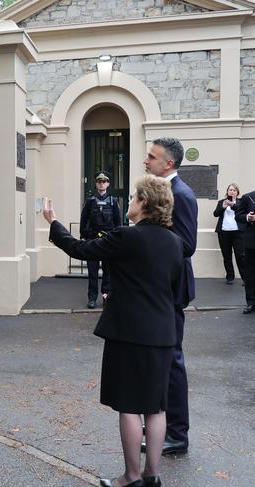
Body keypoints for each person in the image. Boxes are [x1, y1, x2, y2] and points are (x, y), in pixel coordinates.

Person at [43, 174, 183, 487]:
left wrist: (54, 223)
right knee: (156, 406)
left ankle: (132, 477)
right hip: (163, 332)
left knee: (131, 407)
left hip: (129, 332)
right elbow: (178, 291)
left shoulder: (126, 236)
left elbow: (80, 249)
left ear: (144, 202)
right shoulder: (176, 243)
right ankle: (152, 475)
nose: (129, 202)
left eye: (134, 198)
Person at [142, 137, 197, 456]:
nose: (146, 161)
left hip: (171, 290)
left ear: (169, 164)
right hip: (157, 288)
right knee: (160, 360)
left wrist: (151, 238)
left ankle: (177, 433)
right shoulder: (163, 192)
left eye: (152, 157)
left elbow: (187, 244)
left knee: (172, 361)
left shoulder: (182, 194)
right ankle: (160, 423)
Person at [80, 171, 122, 309]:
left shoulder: (113, 201)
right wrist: (85, 235)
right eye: (99, 181)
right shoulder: (90, 201)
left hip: (108, 240)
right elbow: (84, 219)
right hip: (93, 240)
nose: (102, 183)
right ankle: (92, 298)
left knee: (108, 271)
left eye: (104, 181)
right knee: (92, 271)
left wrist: (116, 238)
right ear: (96, 183)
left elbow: (118, 222)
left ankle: (106, 296)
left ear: (108, 183)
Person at [213, 183, 245, 285]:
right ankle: (230, 276)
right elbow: (215, 214)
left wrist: (233, 205)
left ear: (237, 192)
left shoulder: (241, 202)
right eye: (230, 190)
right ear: (227, 191)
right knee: (227, 256)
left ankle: (245, 278)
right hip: (224, 233)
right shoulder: (222, 202)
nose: (232, 191)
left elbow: (241, 211)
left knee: (240, 256)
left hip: (238, 233)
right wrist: (223, 207)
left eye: (234, 190)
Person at [235, 191, 255, 314]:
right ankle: (251, 303)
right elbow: (238, 215)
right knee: (251, 274)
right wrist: (248, 217)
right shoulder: (249, 197)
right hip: (252, 243)